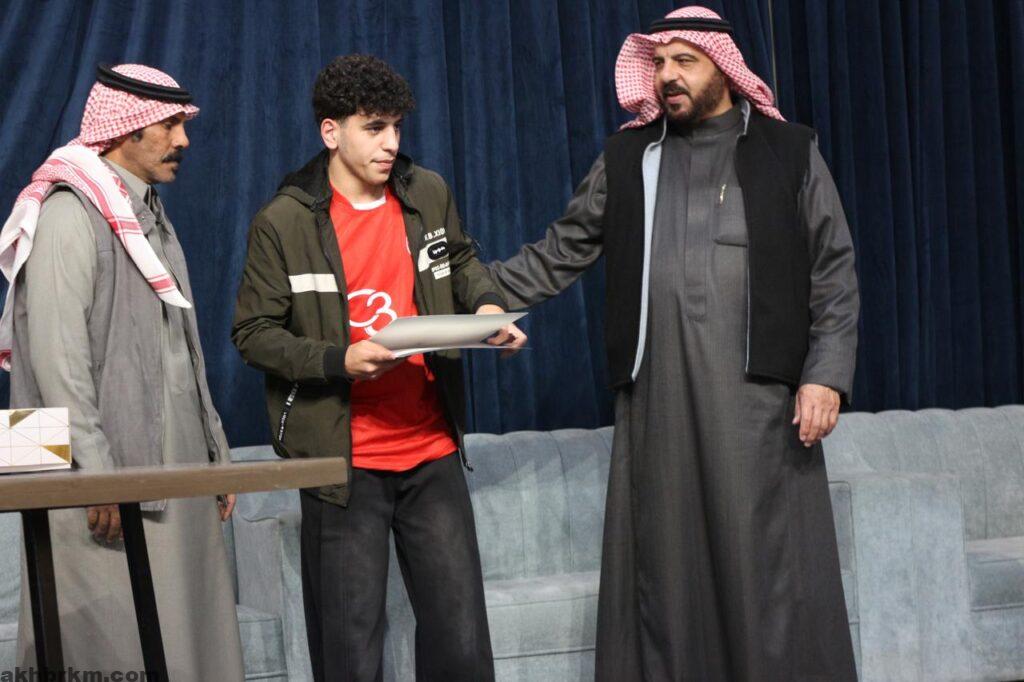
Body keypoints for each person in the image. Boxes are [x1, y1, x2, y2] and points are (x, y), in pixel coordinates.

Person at [488, 7, 860, 680]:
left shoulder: (788, 150)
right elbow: (561, 251)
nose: (666, 76)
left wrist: (825, 374)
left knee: (763, 570)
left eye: (684, 61)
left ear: (725, 68)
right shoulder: (630, 157)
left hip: (758, 408)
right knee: (665, 571)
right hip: (657, 403)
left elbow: (832, 271)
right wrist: (472, 293)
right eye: (658, 62)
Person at [232, 54, 526, 682]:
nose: (391, 143)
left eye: (397, 127)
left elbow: (463, 261)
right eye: (374, 127)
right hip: (345, 464)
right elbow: (253, 335)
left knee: (461, 644)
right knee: (350, 649)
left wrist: (486, 305)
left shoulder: (427, 192)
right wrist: (338, 359)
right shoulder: (283, 221)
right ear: (330, 131)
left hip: (431, 451)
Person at [0, 64, 243, 679]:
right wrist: (97, 476)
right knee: (108, 638)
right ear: (126, 130)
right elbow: (56, 360)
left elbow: (181, 352)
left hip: (167, 462)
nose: (184, 140)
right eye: (170, 125)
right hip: (96, 475)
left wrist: (214, 453)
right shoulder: (68, 212)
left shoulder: (144, 211)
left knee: (182, 636)